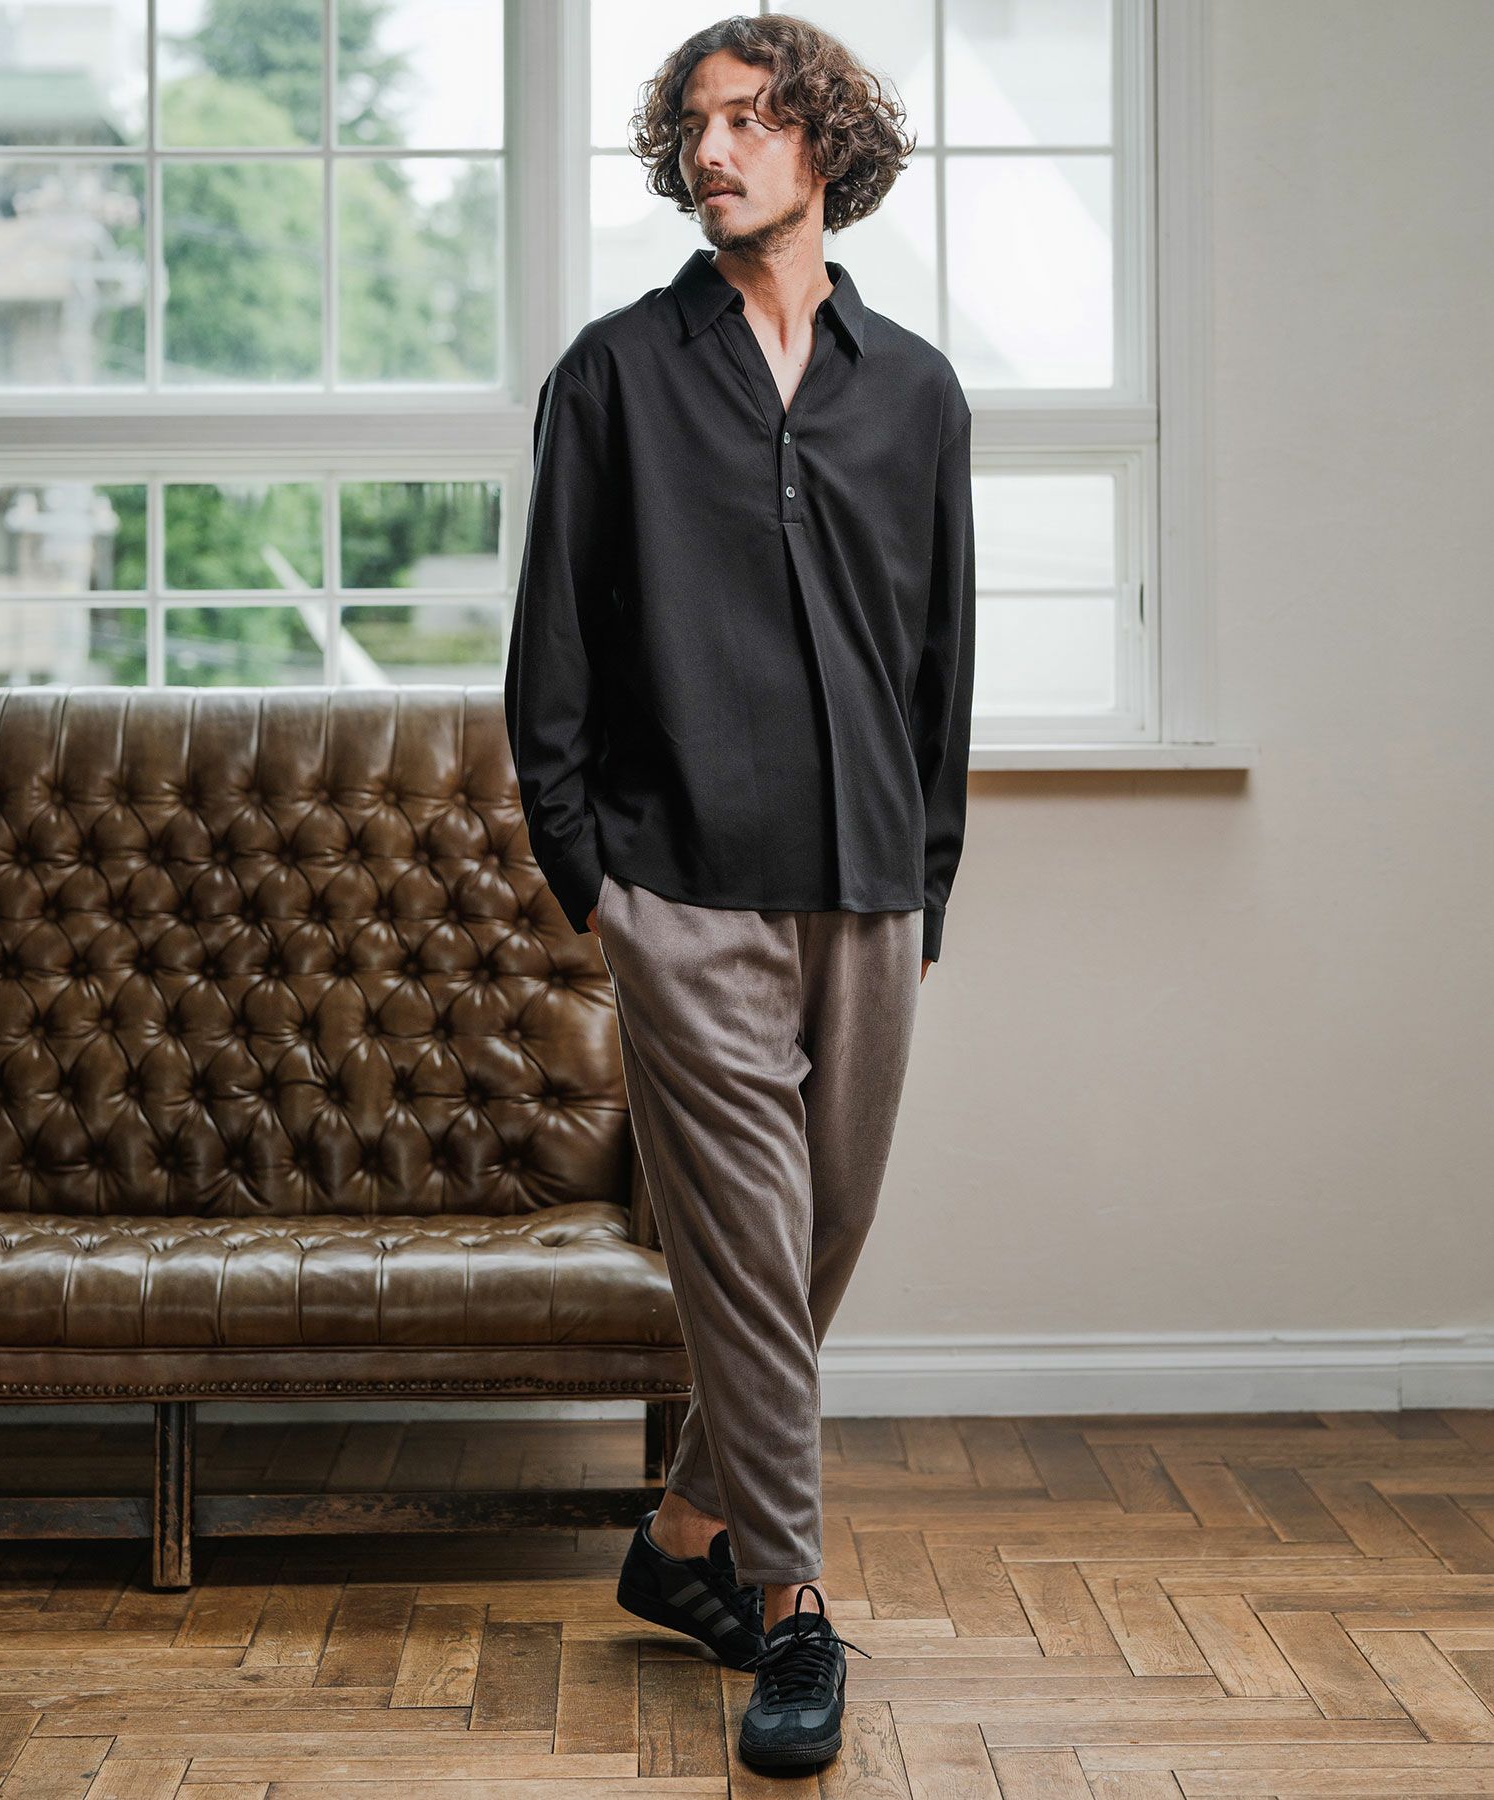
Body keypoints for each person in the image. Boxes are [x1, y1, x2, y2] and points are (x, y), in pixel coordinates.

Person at [504, 13, 974, 1773]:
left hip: (868, 880)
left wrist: (928, 875)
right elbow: (551, 655)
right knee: (756, 1252)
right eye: (695, 124)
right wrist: (596, 880)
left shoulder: (913, 390)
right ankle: (790, 1606)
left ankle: (682, 1534)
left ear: (824, 146)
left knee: (819, 1232)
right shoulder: (615, 376)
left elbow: (940, 658)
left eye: (753, 119)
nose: (714, 149)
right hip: (681, 887)